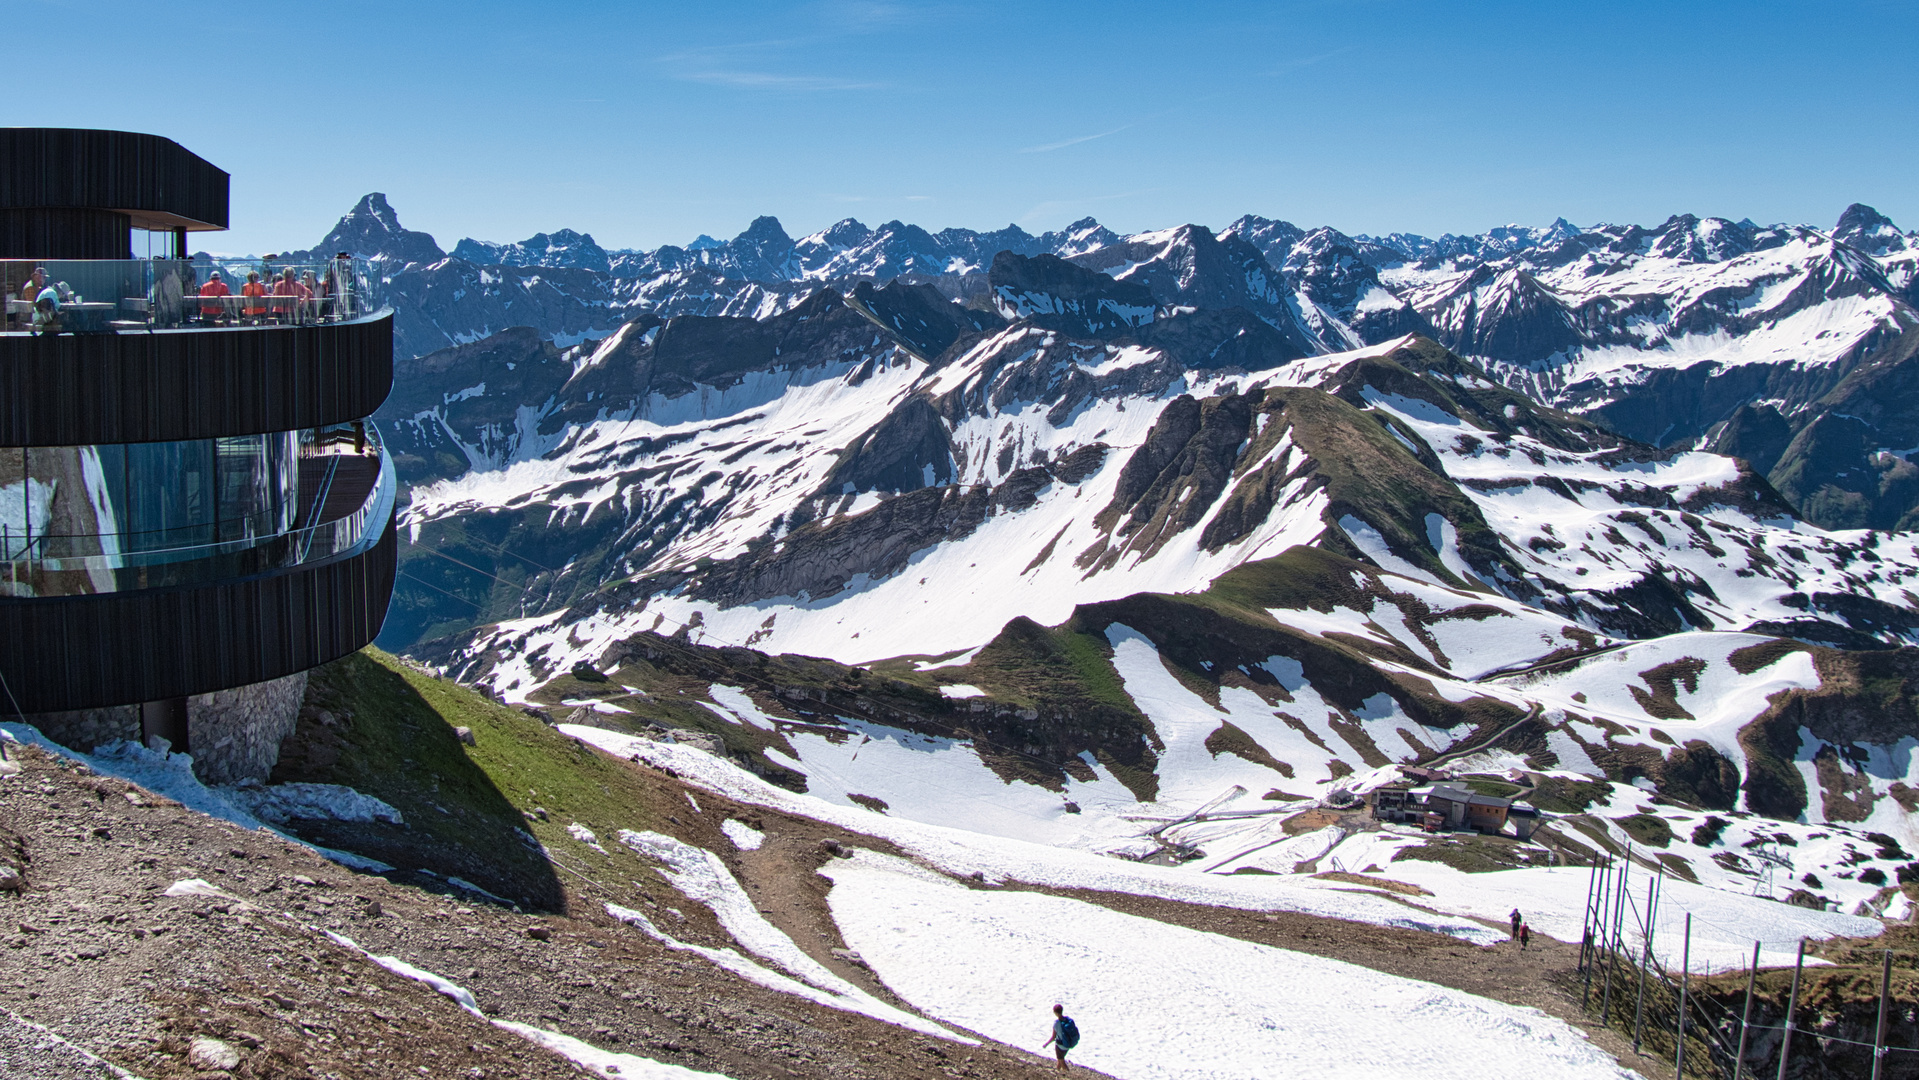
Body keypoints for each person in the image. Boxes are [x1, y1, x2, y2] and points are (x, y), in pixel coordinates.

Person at [1041, 1003, 1079, 1073]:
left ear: (1055, 1013)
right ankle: (1057, 1071)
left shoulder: (1056, 1023)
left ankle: (1068, 1075)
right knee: (1060, 1059)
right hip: (1067, 1045)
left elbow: (1053, 1037)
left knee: (1061, 1061)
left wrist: (1046, 1044)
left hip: (1060, 1046)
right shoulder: (1068, 1020)